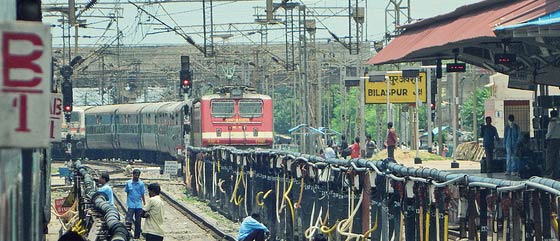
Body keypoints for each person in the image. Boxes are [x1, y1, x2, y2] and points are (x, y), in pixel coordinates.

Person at [125, 169, 146, 239]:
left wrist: (144, 203)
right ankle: (128, 234)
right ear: (133, 175)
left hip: (138, 205)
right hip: (131, 204)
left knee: (138, 221)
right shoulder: (128, 183)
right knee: (129, 220)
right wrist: (127, 202)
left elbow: (142, 194)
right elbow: (127, 192)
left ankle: (136, 236)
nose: (137, 176)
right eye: (135, 175)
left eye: (138, 175)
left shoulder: (141, 184)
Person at [545, 110, 560, 178]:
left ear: (551, 115)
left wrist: (546, 138)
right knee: (557, 157)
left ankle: (549, 173)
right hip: (558, 140)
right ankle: (556, 174)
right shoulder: (559, 122)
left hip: (552, 141)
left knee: (550, 157)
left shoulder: (552, 122)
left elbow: (550, 132)